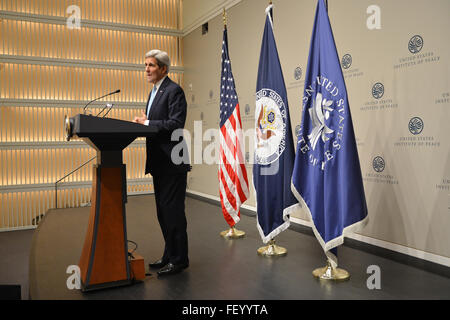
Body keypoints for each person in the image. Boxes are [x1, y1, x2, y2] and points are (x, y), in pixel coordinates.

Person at [133, 49, 190, 276]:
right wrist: (144, 124)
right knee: (162, 212)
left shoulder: (174, 91)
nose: (146, 69)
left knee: (173, 212)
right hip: (159, 162)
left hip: (172, 162)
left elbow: (176, 124)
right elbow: (155, 124)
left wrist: (147, 122)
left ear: (164, 69)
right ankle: (169, 255)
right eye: (145, 65)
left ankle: (179, 260)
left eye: (151, 65)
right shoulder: (154, 92)